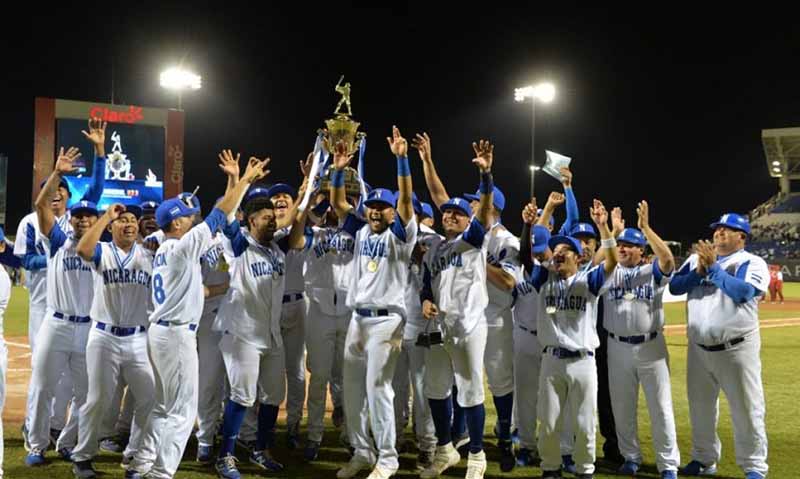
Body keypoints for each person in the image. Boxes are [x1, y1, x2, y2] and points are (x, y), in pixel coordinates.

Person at [129, 154, 270, 479]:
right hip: (176, 335)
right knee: (182, 411)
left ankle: (141, 463)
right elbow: (221, 215)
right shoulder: (182, 246)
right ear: (176, 223)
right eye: (188, 215)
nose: (194, 218)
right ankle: (160, 473)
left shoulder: (165, 249)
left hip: (161, 332)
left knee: (163, 406)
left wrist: (233, 180)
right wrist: (245, 179)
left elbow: (223, 216)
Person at [333, 127, 418, 479]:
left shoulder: (401, 234)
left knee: (377, 388)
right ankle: (362, 452)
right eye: (372, 207)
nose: (375, 212)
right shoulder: (361, 229)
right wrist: (338, 170)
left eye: (382, 208)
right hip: (358, 319)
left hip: (387, 321)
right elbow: (339, 203)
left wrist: (402, 160)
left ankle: (387, 458)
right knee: (353, 391)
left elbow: (407, 203)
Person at [418, 139, 496, 479]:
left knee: (469, 389)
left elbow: (484, 205)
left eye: (458, 213)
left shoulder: (474, 240)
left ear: (469, 221)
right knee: (435, 390)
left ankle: (477, 455)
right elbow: (425, 285)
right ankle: (445, 449)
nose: (450, 215)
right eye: (447, 212)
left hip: (469, 326)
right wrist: (425, 300)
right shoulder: (434, 247)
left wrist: (486, 175)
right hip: (439, 327)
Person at [670, 213, 769, 479]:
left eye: (728, 229)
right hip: (699, 349)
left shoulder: (752, 262)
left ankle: (754, 466)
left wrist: (713, 269)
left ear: (742, 237)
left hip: (736, 349)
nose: (719, 233)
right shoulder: (695, 260)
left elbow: (742, 293)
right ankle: (704, 459)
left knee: (746, 408)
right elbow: (676, 286)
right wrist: (698, 271)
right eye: (717, 229)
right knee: (700, 408)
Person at [527, 199, 619, 479]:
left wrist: (604, 228)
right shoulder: (544, 278)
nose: (558, 253)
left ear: (579, 258)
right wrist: (544, 214)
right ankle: (550, 468)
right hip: (552, 360)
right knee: (550, 422)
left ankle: (585, 470)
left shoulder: (588, 281)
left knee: (584, 422)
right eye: (556, 249)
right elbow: (537, 242)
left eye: (566, 250)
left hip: (582, 362)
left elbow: (612, 261)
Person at [69, 204, 156, 479]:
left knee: (150, 397)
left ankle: (134, 454)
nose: (129, 224)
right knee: (98, 400)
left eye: (133, 220)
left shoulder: (149, 255)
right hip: (104, 337)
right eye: (122, 220)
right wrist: (107, 214)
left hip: (138, 338)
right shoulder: (103, 251)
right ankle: (82, 457)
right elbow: (83, 249)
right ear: (111, 227)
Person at [602, 202, 679, 479]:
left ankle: (668, 464)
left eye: (629, 245)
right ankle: (630, 456)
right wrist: (612, 231)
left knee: (661, 407)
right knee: (622, 407)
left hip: (651, 347)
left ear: (641, 251)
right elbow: (594, 261)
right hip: (617, 346)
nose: (622, 248)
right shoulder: (609, 271)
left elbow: (668, 261)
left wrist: (645, 228)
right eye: (620, 244)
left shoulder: (651, 272)